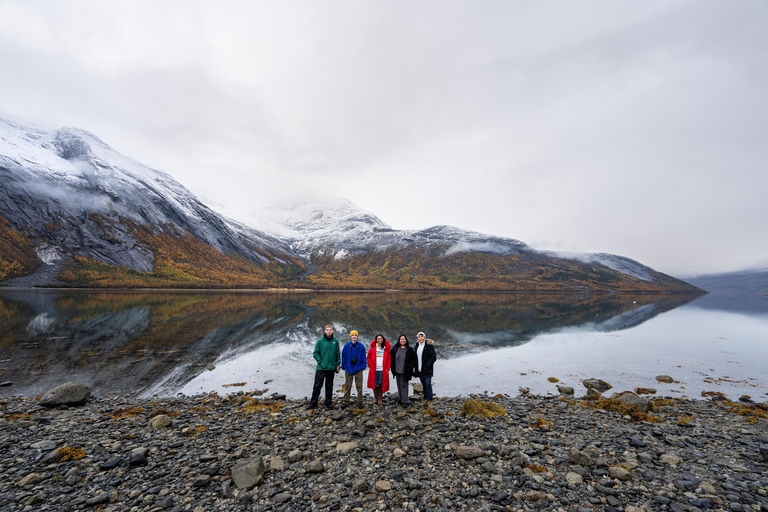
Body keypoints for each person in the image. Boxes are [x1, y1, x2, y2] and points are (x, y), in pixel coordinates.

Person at [306, 324, 340, 410]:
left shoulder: (335, 341)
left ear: (332, 331)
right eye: (327, 330)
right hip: (321, 367)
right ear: (325, 331)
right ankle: (313, 403)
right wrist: (320, 361)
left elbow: (337, 354)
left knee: (329, 386)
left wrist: (338, 364)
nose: (329, 331)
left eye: (330, 330)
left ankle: (328, 402)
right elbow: (315, 353)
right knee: (317, 386)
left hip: (331, 368)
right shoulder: (320, 341)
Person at [390, 334, 418, 407]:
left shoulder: (409, 349)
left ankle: (405, 401)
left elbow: (414, 359)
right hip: (397, 370)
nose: (402, 340)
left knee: (404, 385)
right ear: (399, 340)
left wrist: (410, 367)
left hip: (405, 371)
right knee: (399, 385)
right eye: (401, 339)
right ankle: (401, 398)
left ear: (406, 340)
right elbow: (390, 356)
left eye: (404, 339)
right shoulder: (395, 348)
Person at [341, 330, 367, 406]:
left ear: (357, 336)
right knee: (347, 386)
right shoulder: (346, 346)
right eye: (353, 335)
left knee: (359, 386)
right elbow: (343, 357)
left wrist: (362, 367)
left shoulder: (361, 346)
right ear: (350, 336)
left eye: (355, 335)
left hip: (358, 368)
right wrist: (344, 366)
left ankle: (360, 401)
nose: (354, 336)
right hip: (348, 368)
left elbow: (363, 358)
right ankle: (346, 401)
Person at [367, 334, 391, 405]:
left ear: (383, 339)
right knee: (375, 384)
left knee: (381, 384)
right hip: (374, 369)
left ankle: (380, 399)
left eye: (381, 338)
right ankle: (375, 398)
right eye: (378, 339)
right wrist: (370, 365)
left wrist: (387, 368)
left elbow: (389, 359)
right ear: (376, 340)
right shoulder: (373, 348)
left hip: (382, 369)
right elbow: (368, 357)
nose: (379, 340)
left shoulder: (386, 349)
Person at [415, 331, 437, 402]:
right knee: (424, 385)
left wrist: (428, 365)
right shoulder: (417, 346)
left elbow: (433, 357)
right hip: (419, 369)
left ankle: (430, 400)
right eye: (419, 337)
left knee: (428, 384)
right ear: (417, 338)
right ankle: (425, 399)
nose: (420, 338)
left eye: (422, 337)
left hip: (427, 369)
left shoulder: (429, 346)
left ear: (424, 337)